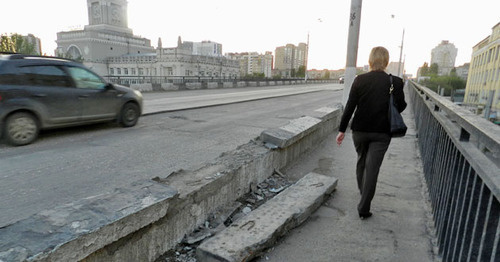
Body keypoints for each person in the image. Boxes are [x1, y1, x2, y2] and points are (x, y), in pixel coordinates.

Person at [336, 46, 407, 220]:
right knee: (373, 168)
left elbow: (350, 107)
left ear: (370, 60)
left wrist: (341, 130)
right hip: (382, 132)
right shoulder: (396, 82)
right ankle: (364, 207)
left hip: (359, 130)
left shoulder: (360, 80)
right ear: (386, 61)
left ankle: (363, 192)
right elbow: (402, 106)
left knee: (361, 161)